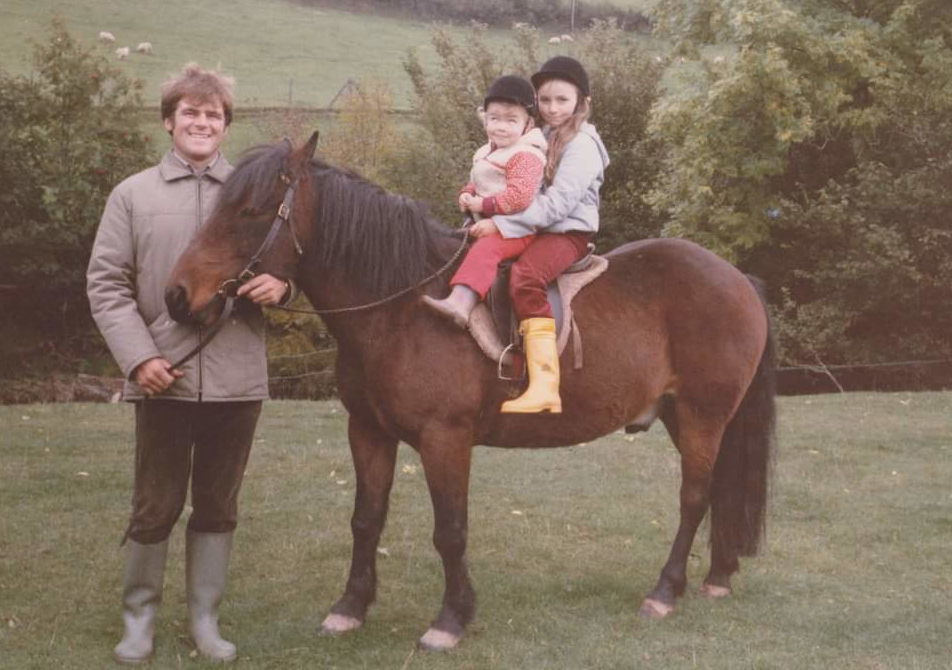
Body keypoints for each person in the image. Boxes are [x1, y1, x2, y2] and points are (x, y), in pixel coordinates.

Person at [86, 64, 293, 665]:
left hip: (237, 380)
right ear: (169, 122)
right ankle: (139, 619)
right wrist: (138, 357)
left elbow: (290, 265)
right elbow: (106, 285)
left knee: (218, 504)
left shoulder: (253, 195)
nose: (202, 123)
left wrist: (282, 287)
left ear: (225, 125)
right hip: (161, 377)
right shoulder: (131, 195)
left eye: (214, 114)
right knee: (155, 503)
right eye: (191, 113)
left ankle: (205, 618)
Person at [424, 56, 610, 414]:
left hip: (567, 233)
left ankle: (543, 383)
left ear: (581, 102)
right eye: (545, 100)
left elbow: (556, 205)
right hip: (537, 226)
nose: (553, 108)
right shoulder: (538, 138)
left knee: (526, 278)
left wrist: (501, 224)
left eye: (562, 100)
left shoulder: (583, 145)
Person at [423, 74, 547, 326]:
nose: (500, 126)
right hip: (487, 222)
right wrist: (466, 194)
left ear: (528, 124)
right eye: (494, 119)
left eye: (511, 120)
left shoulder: (526, 154)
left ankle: (461, 301)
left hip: (518, 228)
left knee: (486, 250)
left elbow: (519, 197)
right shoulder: (488, 151)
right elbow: (479, 180)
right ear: (485, 118)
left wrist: (482, 205)